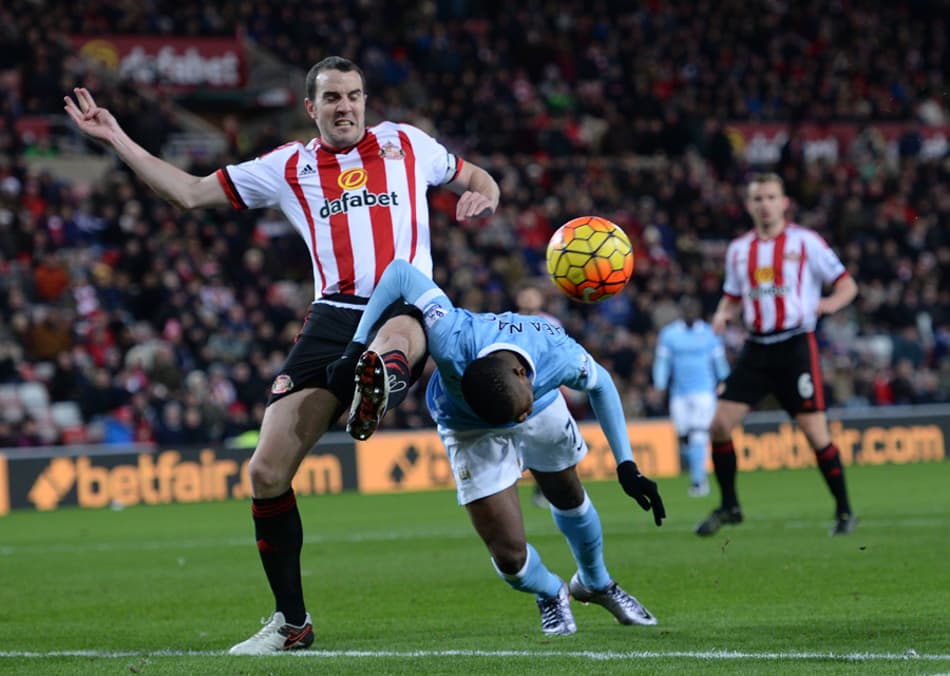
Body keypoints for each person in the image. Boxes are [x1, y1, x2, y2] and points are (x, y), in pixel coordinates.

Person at [64, 56, 500, 654]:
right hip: (333, 317)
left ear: (366, 100)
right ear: (310, 108)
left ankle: (381, 385)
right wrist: (115, 138)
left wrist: (484, 198)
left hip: (406, 299)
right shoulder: (289, 166)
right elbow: (189, 195)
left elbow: (480, 178)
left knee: (397, 337)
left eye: (353, 96)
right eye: (332, 99)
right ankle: (292, 624)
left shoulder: (408, 145)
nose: (345, 107)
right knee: (265, 473)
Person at [332, 259, 666, 634]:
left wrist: (627, 464)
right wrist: (355, 348)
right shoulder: (450, 333)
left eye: (515, 416)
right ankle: (550, 591)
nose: (515, 424)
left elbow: (602, 385)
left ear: (524, 374)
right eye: (511, 419)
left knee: (567, 494)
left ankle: (597, 582)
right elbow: (398, 273)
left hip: (541, 407)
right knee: (510, 558)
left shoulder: (557, 353)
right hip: (468, 428)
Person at [695, 172, 859, 538]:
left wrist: (830, 303)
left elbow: (847, 284)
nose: (765, 204)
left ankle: (845, 510)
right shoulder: (739, 250)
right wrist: (723, 313)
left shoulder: (806, 242)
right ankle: (730, 506)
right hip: (756, 349)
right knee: (719, 426)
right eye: (758, 198)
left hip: (795, 347)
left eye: (771, 197)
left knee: (816, 434)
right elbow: (733, 295)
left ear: (784, 202)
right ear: (749, 204)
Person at [652, 296, 730, 497]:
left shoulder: (709, 333)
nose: (690, 313)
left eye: (693, 310)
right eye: (687, 310)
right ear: (681, 312)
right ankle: (697, 471)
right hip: (679, 394)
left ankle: (698, 481)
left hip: (704, 393)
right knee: (683, 437)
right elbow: (662, 361)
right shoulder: (669, 334)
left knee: (698, 435)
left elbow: (719, 361)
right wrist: (659, 384)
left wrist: (725, 382)